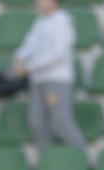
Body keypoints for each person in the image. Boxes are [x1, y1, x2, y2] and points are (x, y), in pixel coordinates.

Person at [13, 0, 85, 150]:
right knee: (38, 124)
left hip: (56, 81)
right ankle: (45, 165)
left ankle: (82, 159)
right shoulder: (40, 22)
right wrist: (19, 58)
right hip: (38, 80)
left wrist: (30, 66)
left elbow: (59, 53)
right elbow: (29, 44)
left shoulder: (62, 21)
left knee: (61, 122)